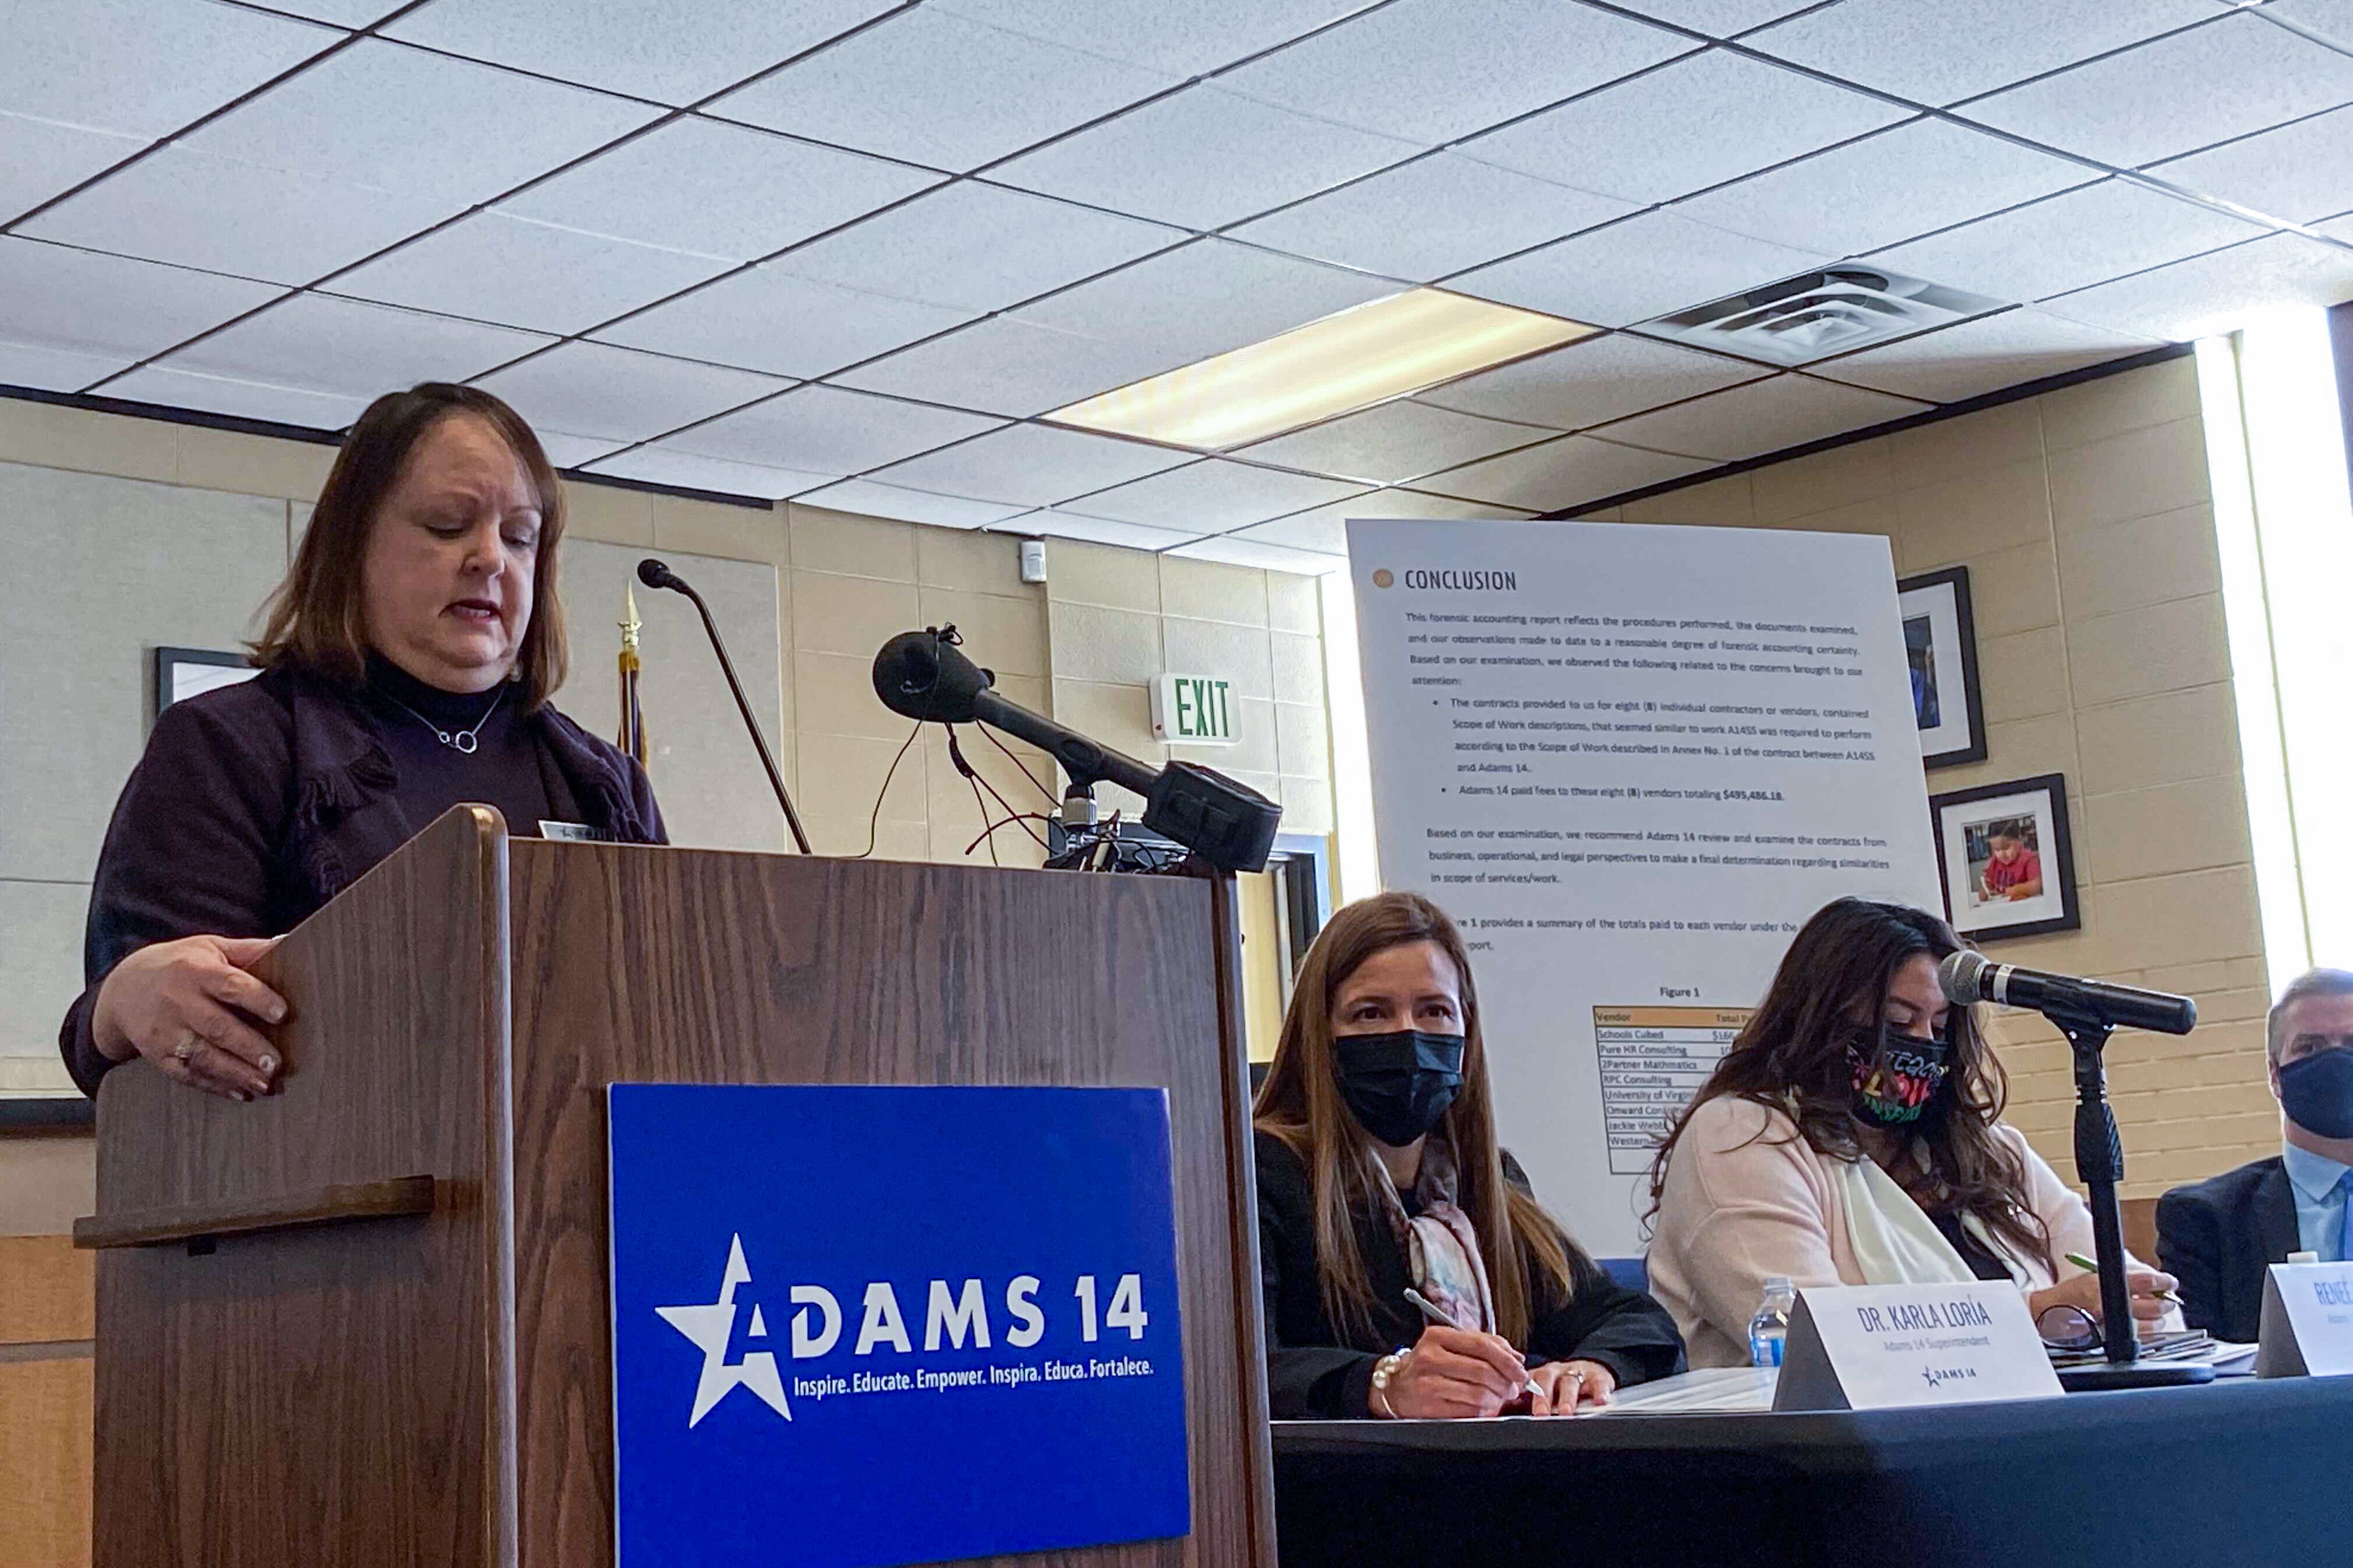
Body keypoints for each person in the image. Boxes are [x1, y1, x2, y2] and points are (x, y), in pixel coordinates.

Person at [58, 383, 665, 1103]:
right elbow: (126, 1015)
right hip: (311, 1184)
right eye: (447, 525)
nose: (489, 558)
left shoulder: (603, 783)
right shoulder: (229, 745)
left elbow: (664, 1018)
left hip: (577, 1196)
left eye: (520, 536)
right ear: (352, 546)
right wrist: (129, 996)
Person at [1647, 898, 2178, 1367]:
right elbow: (1821, 1337)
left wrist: (2135, 1300)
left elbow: (2130, 1299)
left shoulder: (1990, 1152)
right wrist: (2040, 1314)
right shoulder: (1742, 1135)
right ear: (1817, 1022)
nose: (1922, 1045)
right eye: (1898, 1025)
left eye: (1940, 1028)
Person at [1254, 892, 1684, 1419]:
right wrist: (1382, 1383)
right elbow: (1237, 1367)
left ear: (1467, 1029)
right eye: (1371, 1014)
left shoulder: (1484, 1182)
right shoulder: (1262, 1174)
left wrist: (1589, 1367)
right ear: (1319, 1036)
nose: (1407, 1035)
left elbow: (1635, 1320)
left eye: (1434, 1011)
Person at [2158, 968, 2353, 1343]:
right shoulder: (2205, 1219)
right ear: (2275, 1075)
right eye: (2309, 1047)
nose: (2336, 1062)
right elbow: (2208, 1369)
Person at [1979, 825, 2042, 902]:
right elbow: (1989, 883)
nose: (2002, 854)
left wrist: (2017, 890)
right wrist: (1985, 890)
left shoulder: (2029, 859)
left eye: (2006, 848)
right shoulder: (1996, 860)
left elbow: (2038, 886)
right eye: (1997, 850)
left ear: (2020, 841)